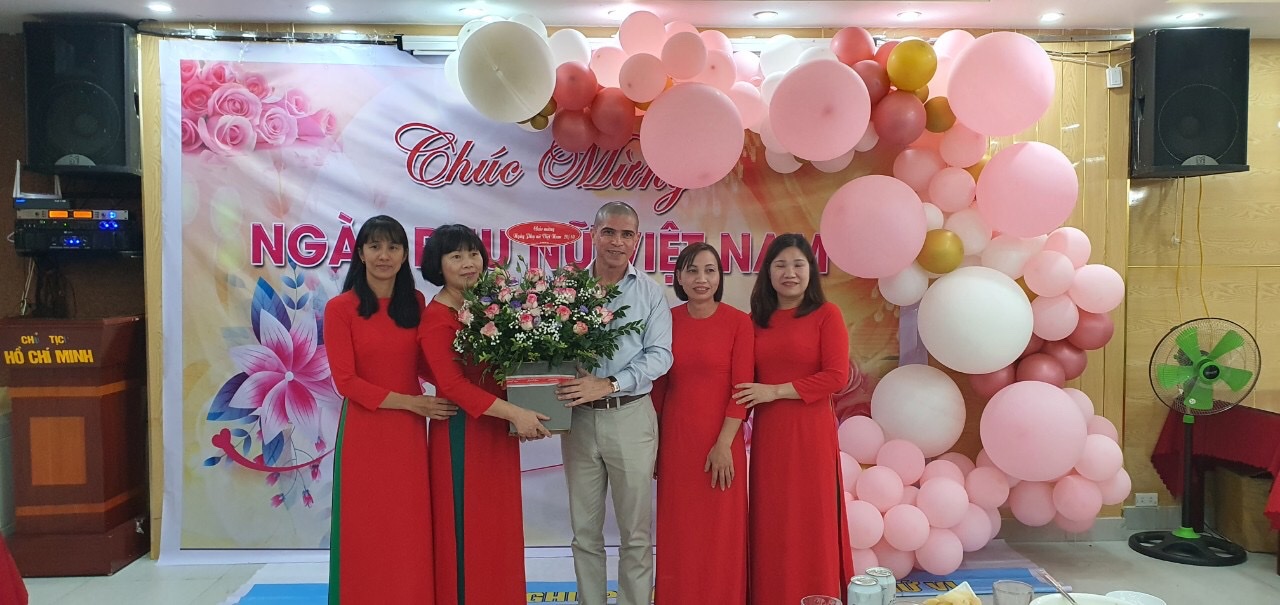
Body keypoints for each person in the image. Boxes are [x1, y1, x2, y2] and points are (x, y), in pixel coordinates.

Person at [323, 215, 457, 605]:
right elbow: (346, 382)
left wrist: (472, 375)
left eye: (393, 247)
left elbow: (423, 364)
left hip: (409, 435)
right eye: (375, 247)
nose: (384, 255)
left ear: (404, 255)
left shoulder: (415, 303)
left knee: (407, 525)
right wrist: (411, 402)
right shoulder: (340, 308)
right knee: (366, 525)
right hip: (365, 432)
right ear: (361, 254)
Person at [418, 224, 552, 604]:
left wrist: (529, 406)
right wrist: (515, 413)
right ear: (438, 265)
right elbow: (453, 386)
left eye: (473, 253)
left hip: (497, 431)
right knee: (468, 533)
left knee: (499, 529)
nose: (468, 263)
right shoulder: (437, 319)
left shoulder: (487, 308)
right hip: (463, 435)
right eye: (456, 256)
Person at [555, 201, 673, 605]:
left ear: (637, 240)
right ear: (593, 235)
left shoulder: (650, 293)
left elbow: (660, 356)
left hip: (631, 416)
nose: (617, 242)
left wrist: (608, 384)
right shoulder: (566, 288)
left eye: (626, 234)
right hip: (578, 420)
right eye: (609, 232)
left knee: (635, 533)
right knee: (584, 532)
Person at [733, 233, 853, 604]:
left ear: (811, 271)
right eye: (780, 264)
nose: (790, 273)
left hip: (811, 434)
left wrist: (775, 391)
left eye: (798, 264)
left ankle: (817, 595)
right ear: (768, 272)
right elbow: (740, 380)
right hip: (770, 437)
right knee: (773, 520)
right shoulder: (755, 322)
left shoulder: (826, 315)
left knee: (811, 519)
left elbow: (836, 376)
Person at [651, 242, 752, 604]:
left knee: (720, 532)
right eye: (692, 270)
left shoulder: (739, 323)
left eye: (710, 271)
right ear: (679, 277)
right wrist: (655, 446)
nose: (701, 279)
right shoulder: (666, 321)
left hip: (723, 442)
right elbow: (658, 390)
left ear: (720, 277)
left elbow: (742, 391)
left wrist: (723, 444)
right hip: (676, 443)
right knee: (680, 530)